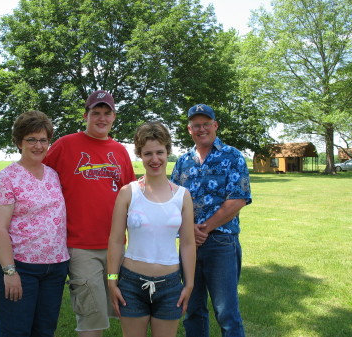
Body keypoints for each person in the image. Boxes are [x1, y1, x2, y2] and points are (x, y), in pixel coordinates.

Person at [43, 90, 136, 337]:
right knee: (91, 318)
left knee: (128, 310)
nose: (101, 118)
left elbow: (131, 198)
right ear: (86, 116)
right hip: (80, 246)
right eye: (96, 113)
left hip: (116, 246)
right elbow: (40, 179)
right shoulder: (65, 145)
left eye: (107, 113)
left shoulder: (120, 151)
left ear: (114, 117)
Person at [0, 110, 70, 337]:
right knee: (17, 331)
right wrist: (9, 271)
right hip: (19, 266)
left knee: (44, 331)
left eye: (43, 140)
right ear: (19, 142)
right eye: (31, 139)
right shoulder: (5, 179)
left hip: (55, 266)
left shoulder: (53, 174)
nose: (38, 145)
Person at [107, 121, 196, 337]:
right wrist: (112, 280)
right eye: (147, 153)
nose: (154, 159)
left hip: (170, 285)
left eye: (159, 152)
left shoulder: (182, 196)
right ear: (139, 154)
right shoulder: (128, 193)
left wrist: (190, 284)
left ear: (167, 153)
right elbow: (116, 241)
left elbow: (187, 243)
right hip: (131, 284)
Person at [171, 104, 252, 337]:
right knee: (192, 309)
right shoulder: (183, 161)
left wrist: (204, 229)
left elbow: (238, 199)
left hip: (221, 244)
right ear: (189, 129)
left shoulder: (232, 156)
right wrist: (188, 231)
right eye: (196, 125)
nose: (201, 129)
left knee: (226, 312)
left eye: (206, 124)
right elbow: (172, 200)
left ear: (215, 125)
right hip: (189, 246)